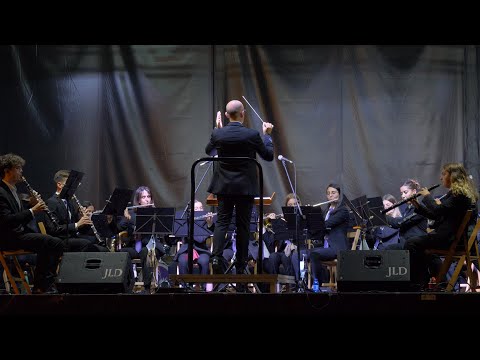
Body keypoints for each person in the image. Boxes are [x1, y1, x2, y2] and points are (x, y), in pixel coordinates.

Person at [205, 100, 274, 275]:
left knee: (222, 222)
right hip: (245, 188)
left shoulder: (218, 134)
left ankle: (216, 257)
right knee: (243, 225)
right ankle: (241, 265)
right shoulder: (252, 135)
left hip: (224, 187)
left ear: (227, 115)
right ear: (243, 113)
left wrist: (218, 130)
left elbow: (209, 152)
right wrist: (267, 135)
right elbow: (268, 156)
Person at [405, 163, 478, 288]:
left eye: (444, 174)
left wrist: (427, 196)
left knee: (411, 244)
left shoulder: (459, 196)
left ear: (453, 176)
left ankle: (416, 283)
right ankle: (438, 282)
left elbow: (437, 211)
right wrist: (417, 205)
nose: (441, 178)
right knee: (420, 248)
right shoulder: (454, 195)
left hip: (450, 239)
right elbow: (436, 215)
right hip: (448, 237)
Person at [0, 153, 64, 293]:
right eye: (18, 168)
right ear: (7, 170)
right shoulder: (1, 192)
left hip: (18, 234)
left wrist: (32, 207)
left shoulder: (13, 190)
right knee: (54, 243)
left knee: (53, 242)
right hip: (9, 238)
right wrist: (32, 211)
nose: (21, 172)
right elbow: (6, 220)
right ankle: (44, 284)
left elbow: (19, 216)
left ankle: (41, 285)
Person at [45, 170, 105, 252]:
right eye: (69, 184)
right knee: (86, 244)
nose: (73, 188)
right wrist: (77, 224)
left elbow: (82, 230)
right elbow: (53, 229)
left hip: (72, 239)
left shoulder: (70, 202)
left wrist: (83, 219)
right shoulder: (52, 202)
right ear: (59, 185)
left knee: (102, 249)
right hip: (59, 241)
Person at [122, 186, 166, 293]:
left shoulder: (155, 214)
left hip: (151, 246)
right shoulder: (131, 214)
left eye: (149, 196)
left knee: (145, 252)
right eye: (143, 197)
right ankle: (128, 283)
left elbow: (162, 231)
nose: (147, 199)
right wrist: (125, 219)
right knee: (122, 254)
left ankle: (147, 287)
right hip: (135, 246)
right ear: (138, 201)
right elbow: (119, 227)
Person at [309, 183, 350, 286]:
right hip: (324, 247)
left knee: (314, 254)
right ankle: (301, 285)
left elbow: (327, 224)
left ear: (339, 195)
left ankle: (317, 284)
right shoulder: (324, 212)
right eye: (328, 193)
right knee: (300, 254)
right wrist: (308, 216)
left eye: (333, 192)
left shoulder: (343, 210)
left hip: (337, 248)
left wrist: (316, 219)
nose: (330, 195)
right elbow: (316, 230)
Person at [384, 179, 428, 249]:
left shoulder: (419, 208)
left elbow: (400, 223)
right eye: (401, 193)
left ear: (414, 191)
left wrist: (385, 217)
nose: (403, 196)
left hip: (416, 244)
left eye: (405, 192)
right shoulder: (408, 209)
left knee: (388, 249)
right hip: (407, 243)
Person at [173, 199, 213, 275]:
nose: (199, 211)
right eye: (196, 209)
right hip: (186, 249)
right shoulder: (185, 221)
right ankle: (185, 285)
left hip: (202, 250)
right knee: (182, 261)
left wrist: (209, 225)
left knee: (204, 261)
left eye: (201, 208)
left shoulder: (206, 222)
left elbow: (201, 239)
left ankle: (203, 285)